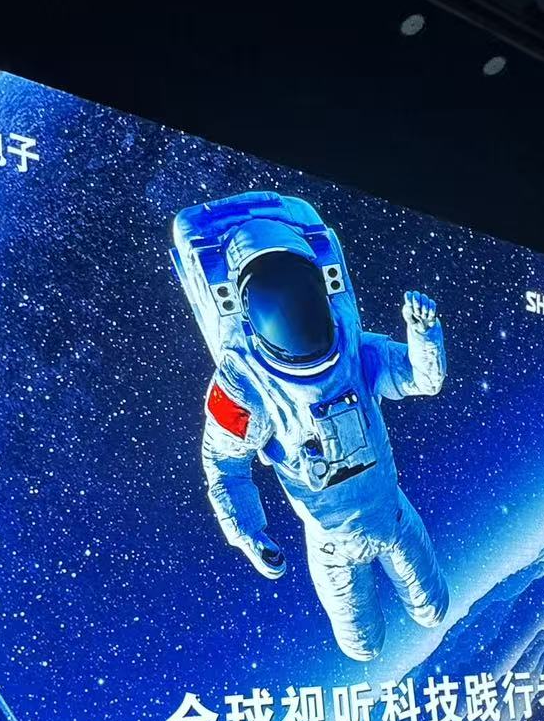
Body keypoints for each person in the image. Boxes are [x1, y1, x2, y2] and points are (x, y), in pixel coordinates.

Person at [170, 191, 450, 661]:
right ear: (245, 310)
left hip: (392, 515)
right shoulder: (246, 385)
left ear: (321, 289)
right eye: (277, 302)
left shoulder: (353, 347)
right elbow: (223, 465)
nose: (294, 316)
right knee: (363, 646)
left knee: (433, 610)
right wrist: (249, 533)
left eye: (302, 295)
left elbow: (423, 378)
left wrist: (423, 334)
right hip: (333, 545)